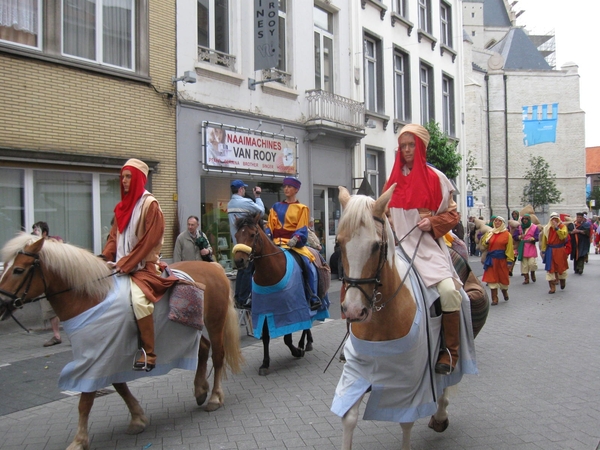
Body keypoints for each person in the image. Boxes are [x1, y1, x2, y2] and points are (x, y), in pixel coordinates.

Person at [383, 123, 462, 375]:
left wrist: (433, 222)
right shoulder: (392, 181)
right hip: (398, 247)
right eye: (403, 146)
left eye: (411, 145)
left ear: (420, 147)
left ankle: (450, 352)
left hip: (427, 248)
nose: (406, 150)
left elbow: (452, 216)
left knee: (449, 291)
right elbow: (382, 214)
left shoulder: (437, 178)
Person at [102, 158, 178, 371]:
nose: (124, 181)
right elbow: (113, 238)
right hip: (120, 265)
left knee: (139, 301)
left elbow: (149, 241)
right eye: (122, 176)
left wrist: (127, 263)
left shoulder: (150, 204)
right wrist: (104, 257)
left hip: (143, 267)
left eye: (128, 177)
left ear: (138, 179)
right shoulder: (121, 207)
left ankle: (149, 353)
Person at [265, 176, 321, 310]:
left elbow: (302, 228)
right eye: (285, 186)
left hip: (292, 244)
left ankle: (312, 295)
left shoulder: (302, 208)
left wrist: (296, 238)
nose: (286, 189)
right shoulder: (276, 207)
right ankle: (250, 294)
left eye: (289, 187)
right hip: (275, 244)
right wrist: (267, 235)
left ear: (296, 189)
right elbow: (269, 225)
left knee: (306, 262)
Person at [227, 179, 264, 308]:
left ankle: (238, 297)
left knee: (241, 270)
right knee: (248, 269)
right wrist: (257, 197)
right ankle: (245, 299)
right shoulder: (245, 202)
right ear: (241, 189)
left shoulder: (230, 204)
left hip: (237, 242)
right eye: (244, 189)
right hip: (247, 242)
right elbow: (261, 211)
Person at [32, 221, 64, 347]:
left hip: (58, 283)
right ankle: (57, 335)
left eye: (37, 231)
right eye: (34, 230)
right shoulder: (34, 246)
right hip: (44, 283)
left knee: (64, 308)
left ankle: (73, 335)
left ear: (44, 232)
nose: (35, 233)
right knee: (49, 310)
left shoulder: (55, 242)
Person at [481, 216, 514, 305]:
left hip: (502, 260)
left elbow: (509, 249)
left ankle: (504, 292)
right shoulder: (490, 233)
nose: (497, 223)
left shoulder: (507, 235)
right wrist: (486, 242)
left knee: (502, 278)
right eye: (495, 221)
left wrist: (509, 261)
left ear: (502, 223)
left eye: (499, 221)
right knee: (492, 279)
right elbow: (484, 244)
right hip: (491, 260)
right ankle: (494, 298)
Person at [540, 212, 569, 293]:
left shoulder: (562, 227)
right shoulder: (547, 228)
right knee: (550, 269)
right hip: (550, 250)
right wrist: (543, 250)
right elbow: (544, 240)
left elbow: (563, 236)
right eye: (552, 218)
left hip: (560, 249)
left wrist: (557, 228)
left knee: (561, 267)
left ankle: (562, 281)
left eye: (555, 218)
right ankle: (552, 287)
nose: (554, 220)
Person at [517, 214, 540, 284]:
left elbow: (537, 237)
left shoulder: (534, 227)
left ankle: (532, 272)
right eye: (524, 219)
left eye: (526, 219)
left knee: (532, 263)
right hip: (523, 247)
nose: (525, 220)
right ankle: (526, 278)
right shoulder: (520, 227)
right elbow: (515, 236)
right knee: (524, 264)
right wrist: (520, 237)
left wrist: (533, 238)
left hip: (531, 246)